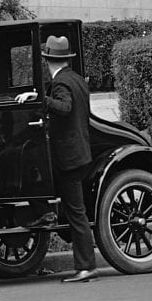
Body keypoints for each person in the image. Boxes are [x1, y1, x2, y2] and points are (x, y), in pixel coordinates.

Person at [39, 30, 99, 282]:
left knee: (77, 213)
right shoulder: (76, 79)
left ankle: (86, 266)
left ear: (47, 60)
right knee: (75, 210)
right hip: (80, 154)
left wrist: (42, 100)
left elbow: (65, 108)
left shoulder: (61, 83)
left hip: (69, 158)